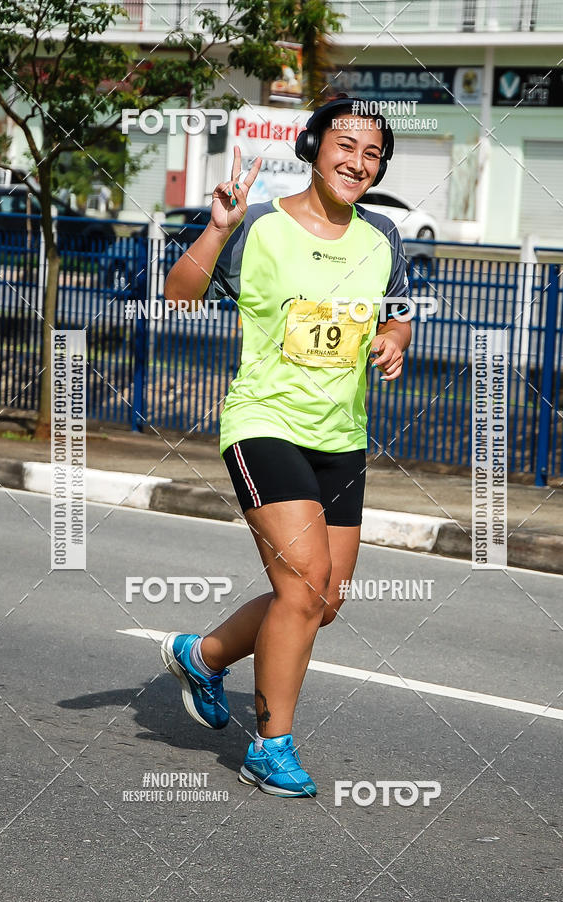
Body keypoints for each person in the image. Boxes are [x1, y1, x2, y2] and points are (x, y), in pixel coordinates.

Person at [161, 95, 412, 798]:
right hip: (264, 423)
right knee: (301, 583)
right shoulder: (261, 227)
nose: (358, 160)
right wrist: (217, 230)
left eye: (372, 152)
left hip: (341, 436)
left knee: (323, 600)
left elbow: (397, 317)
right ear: (313, 147)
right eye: (346, 144)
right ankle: (271, 747)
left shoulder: (382, 234)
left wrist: (393, 340)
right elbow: (180, 296)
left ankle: (202, 656)